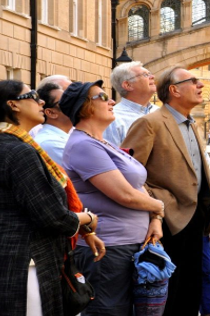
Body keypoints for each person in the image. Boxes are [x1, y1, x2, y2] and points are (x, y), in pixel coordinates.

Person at [0, 80, 103, 316]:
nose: (41, 101)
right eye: (33, 96)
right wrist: (88, 219)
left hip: (3, 262)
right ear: (13, 104)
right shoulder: (16, 150)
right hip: (20, 268)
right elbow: (52, 217)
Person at [60, 80, 164, 315]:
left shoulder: (102, 142)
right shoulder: (83, 145)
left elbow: (138, 186)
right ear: (84, 107)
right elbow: (125, 195)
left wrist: (155, 217)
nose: (112, 101)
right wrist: (160, 206)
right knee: (108, 311)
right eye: (102, 96)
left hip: (130, 245)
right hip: (109, 248)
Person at [122, 67, 210, 316]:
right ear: (174, 90)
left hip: (197, 219)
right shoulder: (149, 123)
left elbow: (198, 173)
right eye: (193, 81)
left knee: (191, 290)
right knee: (169, 295)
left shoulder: (190, 123)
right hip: (168, 219)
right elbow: (129, 173)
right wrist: (156, 207)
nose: (200, 85)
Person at [103, 61, 158, 147]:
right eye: (145, 75)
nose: (152, 77)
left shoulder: (160, 112)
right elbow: (112, 157)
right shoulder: (113, 119)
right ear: (128, 85)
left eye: (150, 74)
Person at [34, 82, 73, 165]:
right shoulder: (51, 143)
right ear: (51, 113)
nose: (72, 103)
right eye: (65, 101)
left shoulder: (65, 136)